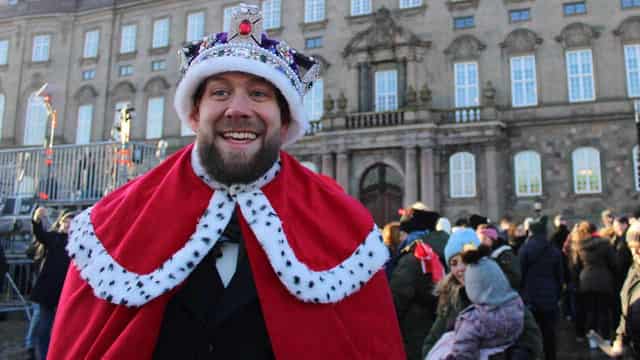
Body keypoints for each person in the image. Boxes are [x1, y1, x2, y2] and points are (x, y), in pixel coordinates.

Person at [47, 5, 405, 359]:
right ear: (193, 113)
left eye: (259, 94)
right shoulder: (112, 225)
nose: (238, 109)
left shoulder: (345, 228)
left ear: (285, 120)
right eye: (220, 92)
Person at [422, 229, 543, 360]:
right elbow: (431, 341)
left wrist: (516, 354)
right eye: (454, 263)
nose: (460, 268)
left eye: (465, 260)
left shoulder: (500, 290)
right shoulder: (451, 298)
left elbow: (531, 336)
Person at [391, 207, 443, 360]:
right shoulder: (442, 248)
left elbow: (399, 294)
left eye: (402, 233)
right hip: (435, 322)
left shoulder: (414, 256)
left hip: (414, 325)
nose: (400, 238)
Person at [30, 207, 75, 360]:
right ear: (60, 223)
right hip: (48, 290)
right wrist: (36, 220)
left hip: (66, 291)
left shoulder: (77, 242)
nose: (67, 226)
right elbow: (40, 234)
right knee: (44, 327)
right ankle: (43, 355)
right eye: (65, 223)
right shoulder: (53, 237)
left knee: (64, 327)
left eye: (71, 224)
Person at [519, 216, 563, 360]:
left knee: (532, 333)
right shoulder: (553, 249)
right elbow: (559, 276)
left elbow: (521, 274)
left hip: (530, 297)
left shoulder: (525, 249)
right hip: (550, 297)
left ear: (531, 232)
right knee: (549, 333)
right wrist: (557, 294)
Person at [569, 221, 617, 349]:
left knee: (590, 312)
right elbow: (614, 263)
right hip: (603, 280)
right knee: (604, 311)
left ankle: (593, 341)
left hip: (586, 281)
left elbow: (576, 266)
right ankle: (606, 339)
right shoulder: (605, 244)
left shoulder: (580, 246)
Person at [612, 222, 640, 358]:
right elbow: (626, 309)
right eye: (632, 248)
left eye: (639, 247)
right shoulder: (633, 270)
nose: (635, 252)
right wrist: (620, 339)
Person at [476, 224, 521, 290]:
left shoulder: (504, 254)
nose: (481, 242)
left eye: (484, 239)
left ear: (492, 239)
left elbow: (515, 277)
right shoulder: (483, 254)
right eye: (479, 239)